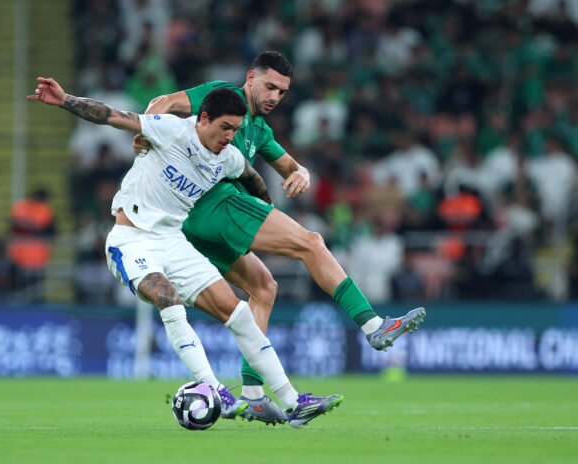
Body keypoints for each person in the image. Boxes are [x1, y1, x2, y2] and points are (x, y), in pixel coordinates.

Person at [28, 77, 343, 428]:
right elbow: (111, 115)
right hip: (131, 240)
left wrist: (262, 211)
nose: (229, 136)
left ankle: (293, 402)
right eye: (225, 127)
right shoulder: (171, 130)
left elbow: (252, 177)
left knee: (239, 314)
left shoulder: (229, 158)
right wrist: (65, 100)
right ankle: (214, 388)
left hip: (173, 242)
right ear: (203, 118)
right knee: (168, 297)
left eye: (235, 129)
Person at [134, 51, 426, 423]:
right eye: (269, 86)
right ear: (250, 78)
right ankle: (373, 325)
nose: (274, 96)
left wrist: (301, 173)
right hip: (216, 203)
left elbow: (289, 166)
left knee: (264, 288)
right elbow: (163, 102)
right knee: (311, 243)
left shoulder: (260, 131)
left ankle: (254, 394)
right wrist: (145, 134)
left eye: (282, 92)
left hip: (196, 224)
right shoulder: (224, 95)